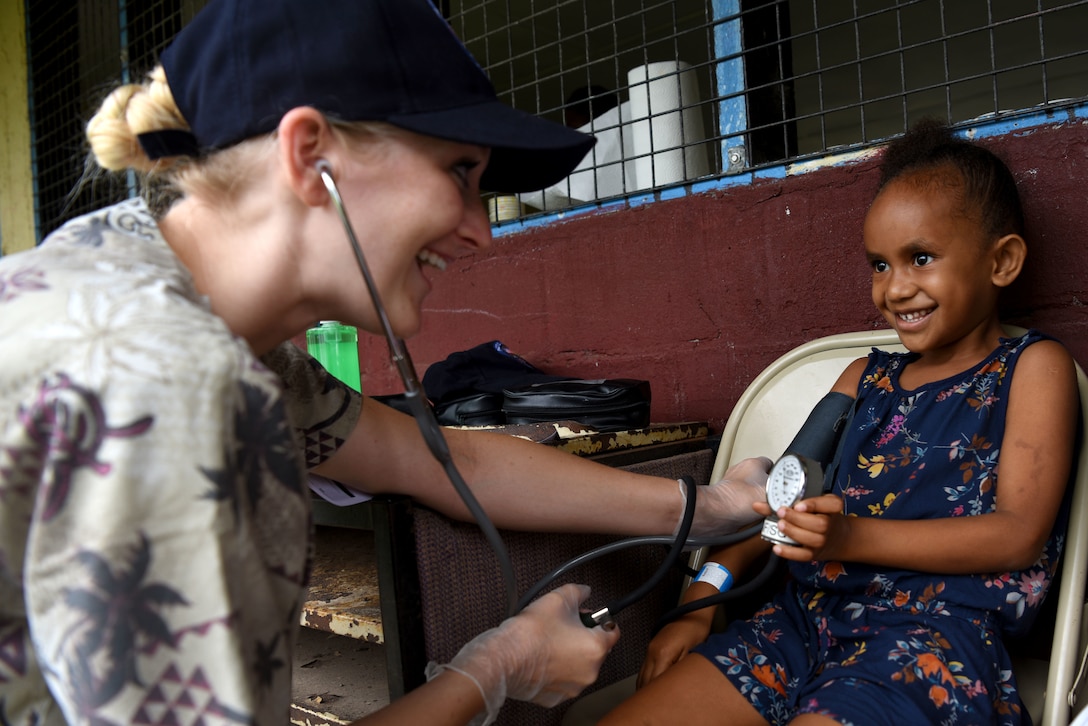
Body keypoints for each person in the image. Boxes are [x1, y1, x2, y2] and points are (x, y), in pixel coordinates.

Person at [0, 0, 772, 724]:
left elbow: (433, 458)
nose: (481, 231)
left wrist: (709, 509)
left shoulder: (131, 277)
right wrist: (495, 672)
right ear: (309, 155)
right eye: (459, 175)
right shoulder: (178, 383)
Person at [597, 118, 1080, 725]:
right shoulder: (862, 378)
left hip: (931, 642)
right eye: (879, 265)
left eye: (921, 258)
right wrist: (701, 596)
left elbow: (1018, 535)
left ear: (1002, 261)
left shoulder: (1032, 368)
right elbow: (775, 502)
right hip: (801, 623)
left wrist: (851, 538)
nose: (895, 289)